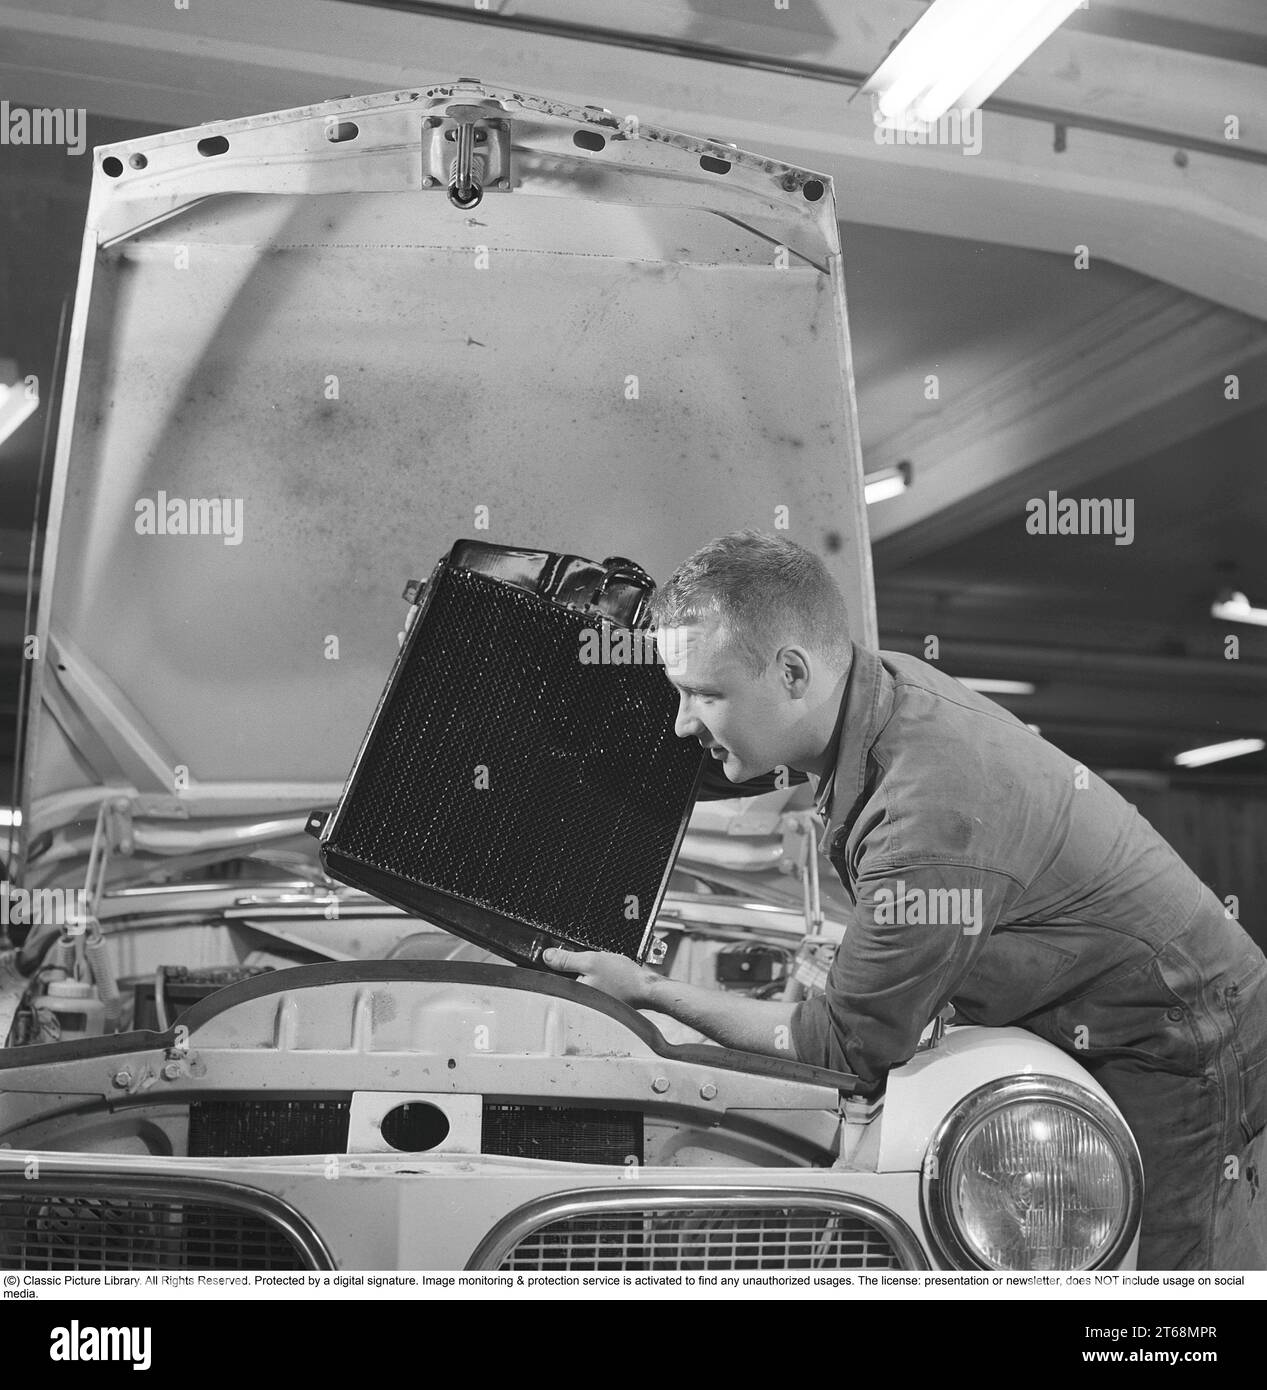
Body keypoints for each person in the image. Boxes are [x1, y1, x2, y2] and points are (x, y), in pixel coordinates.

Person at [544, 530, 1267, 1270]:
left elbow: (841, 1048)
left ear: (792, 672)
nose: (682, 723)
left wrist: (651, 992)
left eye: (705, 694)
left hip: (1180, 1033)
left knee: (1163, 1285)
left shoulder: (926, 814)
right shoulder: (877, 691)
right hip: (1112, 1003)